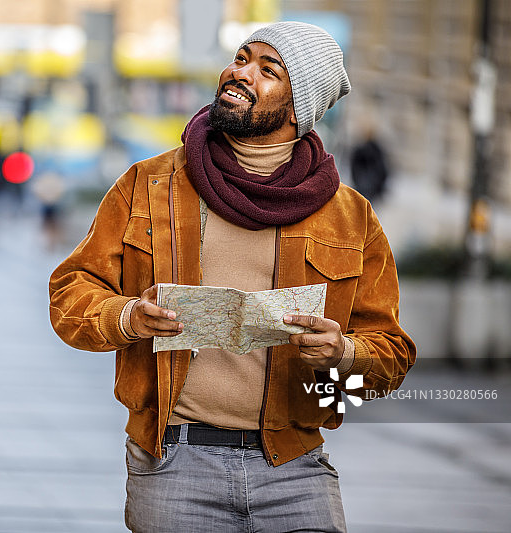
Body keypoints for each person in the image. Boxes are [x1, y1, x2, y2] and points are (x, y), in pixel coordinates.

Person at [49, 21, 415, 532]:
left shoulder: (349, 216)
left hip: (295, 467)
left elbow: (391, 356)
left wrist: (344, 354)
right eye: (242, 58)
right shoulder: (148, 184)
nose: (241, 73)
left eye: (269, 71)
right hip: (174, 464)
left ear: (299, 107)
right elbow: (70, 294)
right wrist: (128, 315)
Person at [350, 130, 390, 203]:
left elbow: (354, 169)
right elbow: (383, 170)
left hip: (364, 187)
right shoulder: (376, 150)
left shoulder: (360, 150)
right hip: (370, 188)